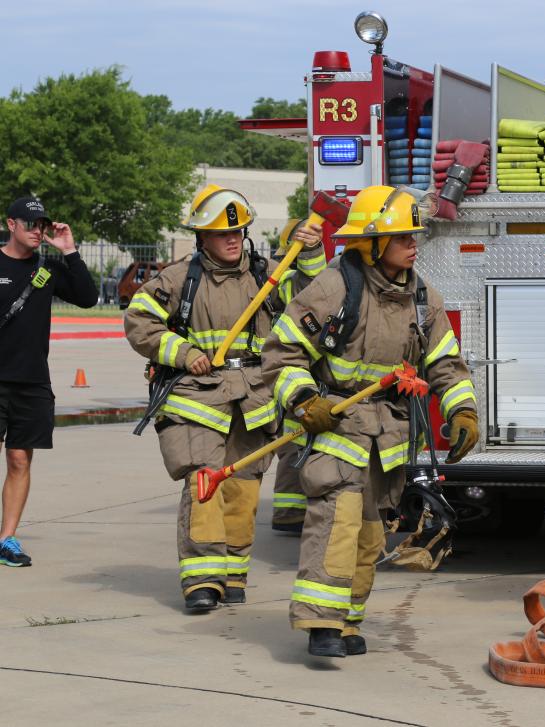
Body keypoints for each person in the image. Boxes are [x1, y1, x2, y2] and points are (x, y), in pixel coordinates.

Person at [262, 185, 478, 658]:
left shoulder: (422, 296)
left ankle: (347, 621)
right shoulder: (336, 288)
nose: (413, 243)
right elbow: (281, 355)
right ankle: (320, 624)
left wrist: (463, 409)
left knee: (370, 532)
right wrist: (303, 400)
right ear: (374, 243)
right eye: (402, 236)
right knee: (335, 522)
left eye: (414, 235)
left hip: (389, 438)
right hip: (336, 424)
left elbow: (445, 361)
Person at [124, 185, 321, 611]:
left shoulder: (270, 274)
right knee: (204, 481)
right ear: (201, 238)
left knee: (243, 488)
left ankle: (232, 574)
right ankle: (202, 582)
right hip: (197, 397)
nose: (232, 239)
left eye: (238, 232)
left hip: (253, 396)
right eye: (220, 234)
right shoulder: (178, 279)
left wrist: (309, 254)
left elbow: (318, 300)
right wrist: (185, 352)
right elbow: (139, 321)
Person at [0, 196, 98, 567]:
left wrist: (70, 251)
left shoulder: (49, 268)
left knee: (20, 460)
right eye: (31, 224)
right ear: (11, 224)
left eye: (42, 225)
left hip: (32, 381)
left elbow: (88, 298)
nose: (38, 231)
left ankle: (6, 538)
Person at [269, 218, 327, 533]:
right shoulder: (286, 280)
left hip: (288, 369)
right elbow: (315, 288)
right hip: (294, 369)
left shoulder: (284, 278)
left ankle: (289, 509)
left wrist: (312, 250)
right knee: (294, 439)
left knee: (291, 440)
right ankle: (290, 512)